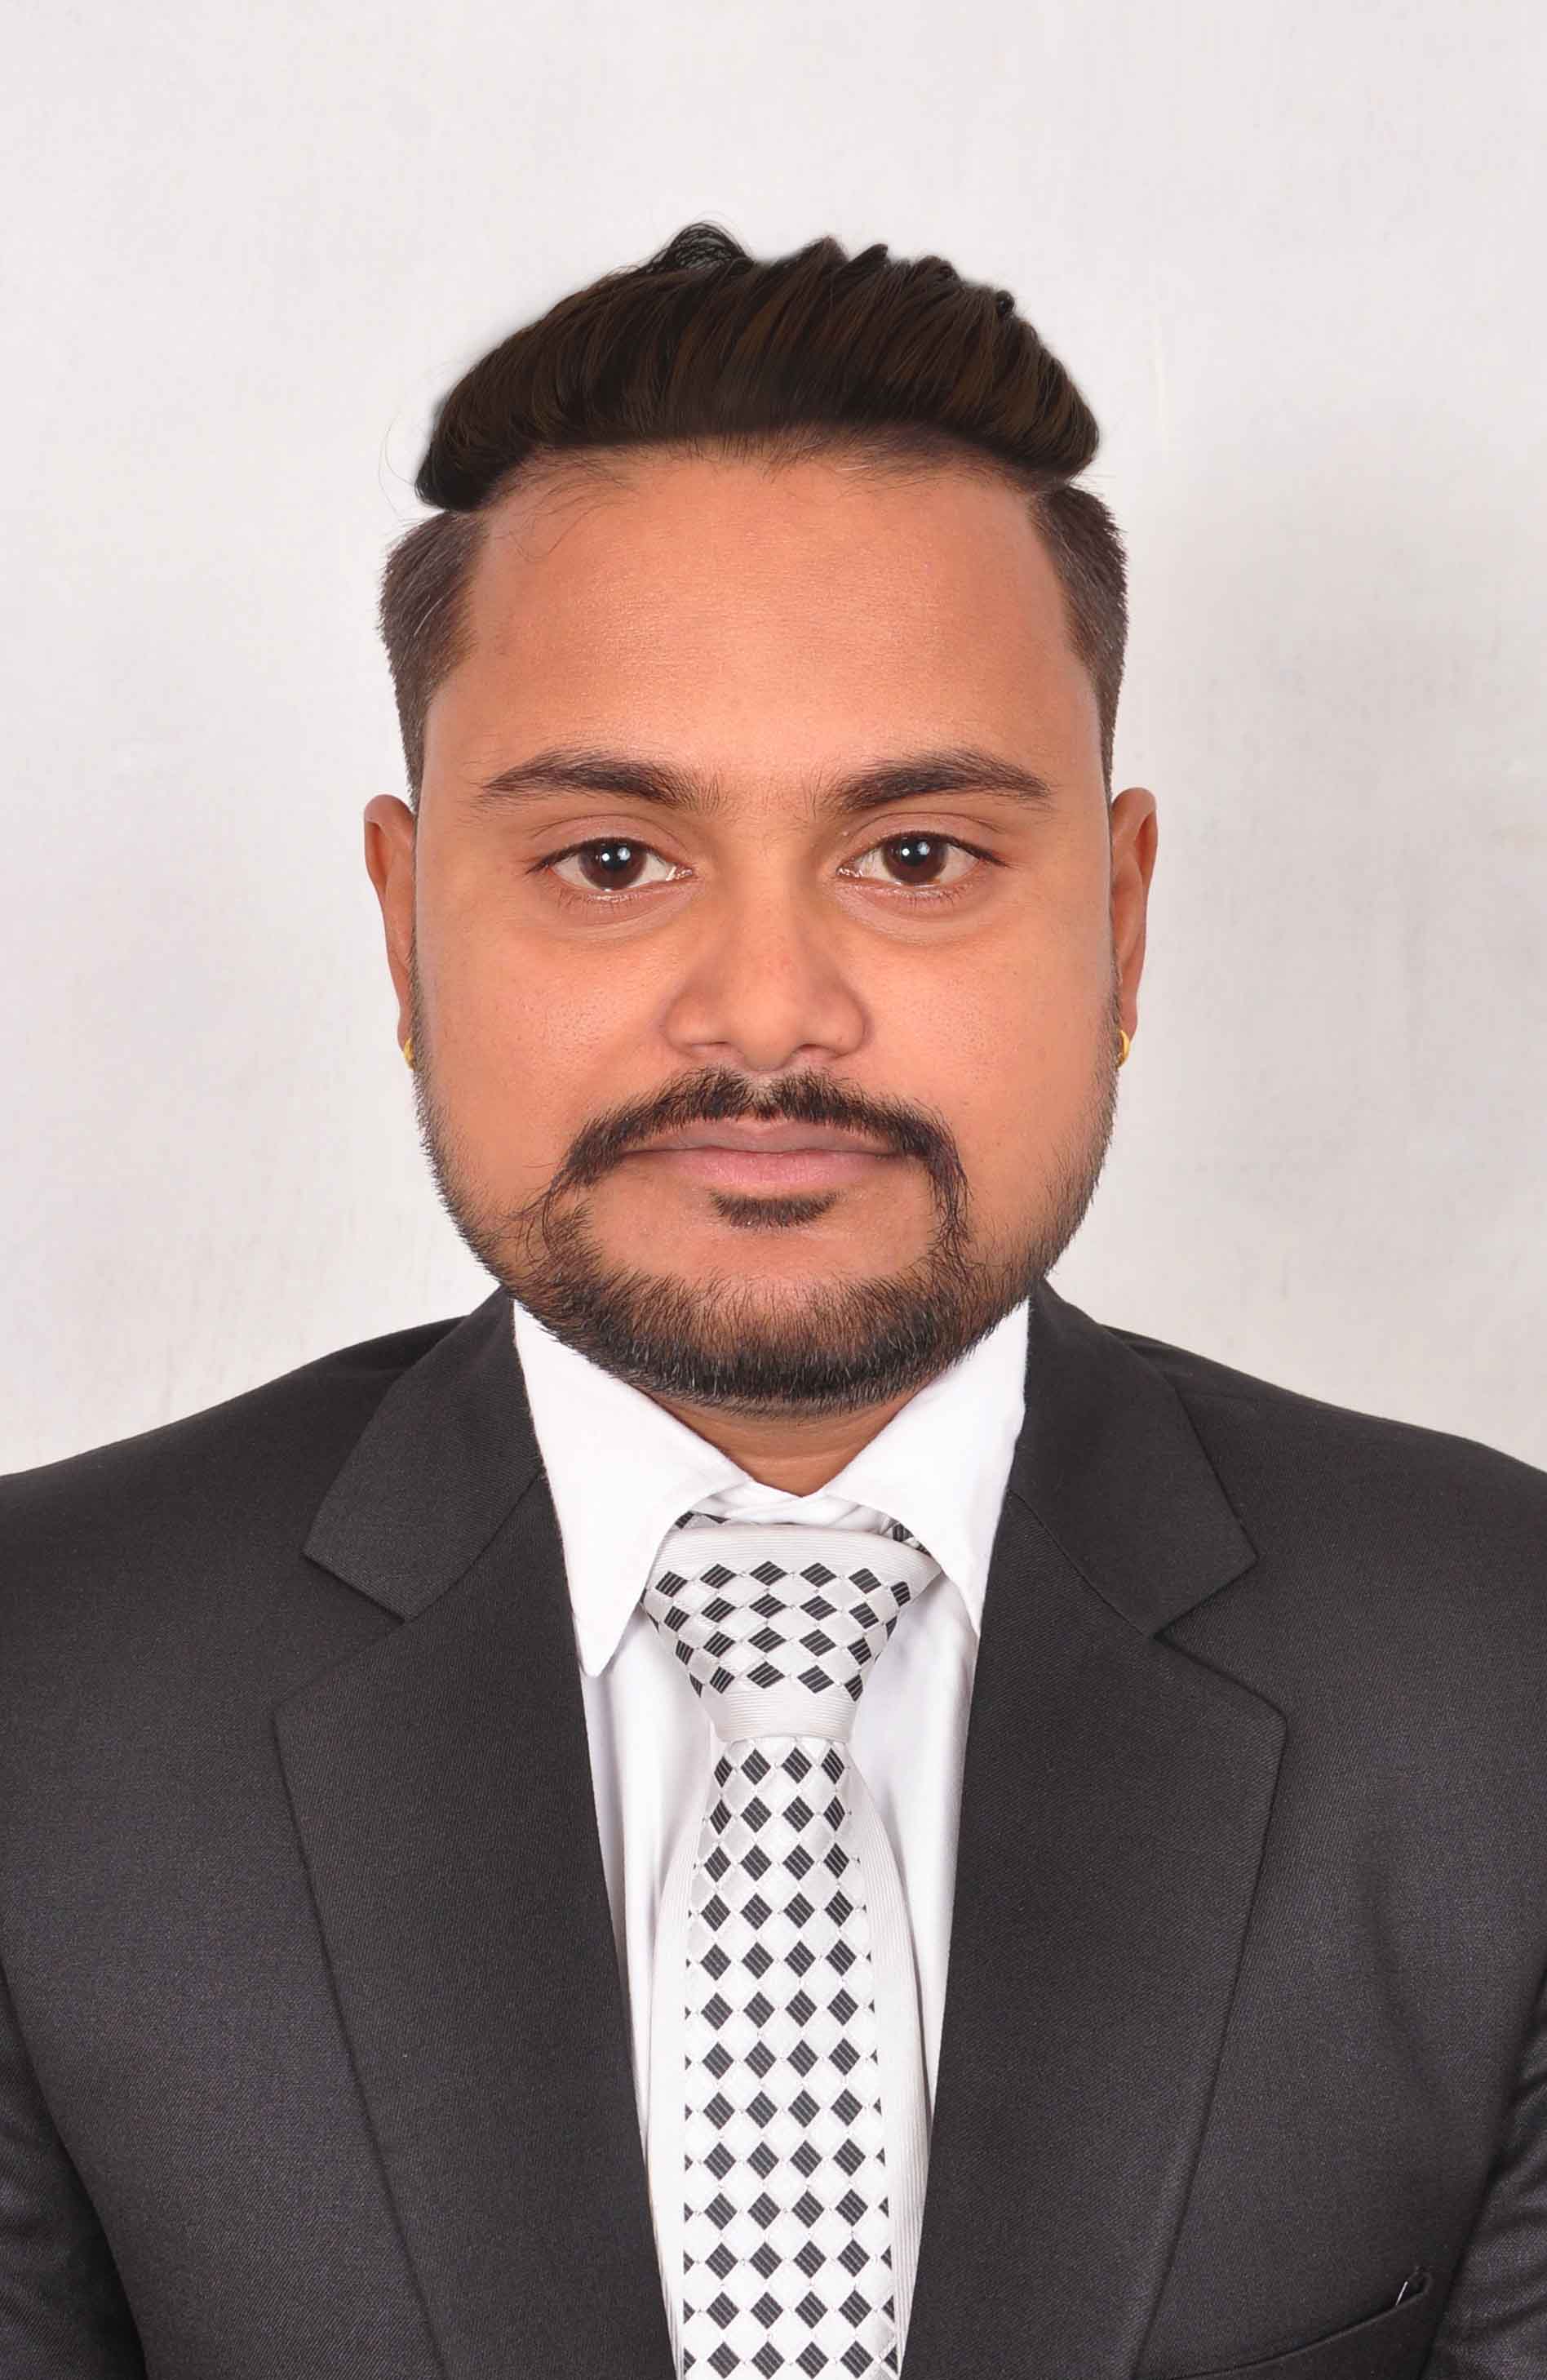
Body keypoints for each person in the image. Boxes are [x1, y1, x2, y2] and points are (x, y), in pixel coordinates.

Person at [1, 221, 1542, 2380]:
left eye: (916, 855)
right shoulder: (41, 1693)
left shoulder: (1502, 1681)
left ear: (1119, 920)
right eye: (611, 859)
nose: (764, 1012)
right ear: (403, 920)